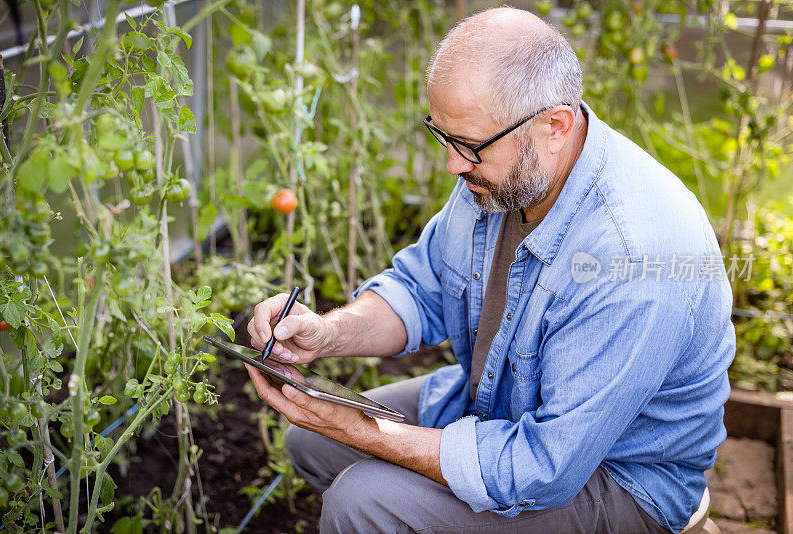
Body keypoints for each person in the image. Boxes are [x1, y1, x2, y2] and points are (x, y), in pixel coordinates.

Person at [245, 6, 735, 533]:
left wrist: (365, 432)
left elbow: (542, 468)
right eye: (444, 137)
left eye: (470, 146)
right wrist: (325, 333)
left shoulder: (631, 258)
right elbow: (421, 288)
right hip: (506, 405)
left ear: (556, 124)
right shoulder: (503, 175)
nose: (453, 165)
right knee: (312, 441)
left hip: (619, 478)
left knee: (361, 501)